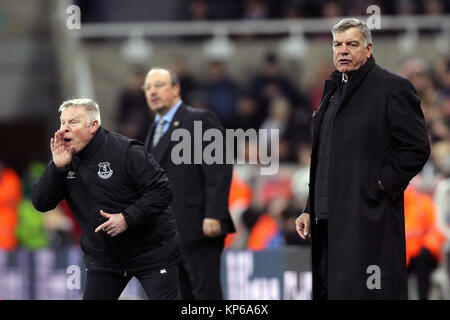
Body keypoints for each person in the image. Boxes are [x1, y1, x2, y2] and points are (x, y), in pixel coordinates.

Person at [295, 18, 430, 300]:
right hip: (327, 222)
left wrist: (378, 185)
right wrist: (310, 207)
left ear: (369, 49)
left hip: (369, 219)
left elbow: (416, 147)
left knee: (370, 294)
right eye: (337, 44)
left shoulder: (392, 88)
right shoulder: (331, 92)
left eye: (352, 44)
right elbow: (323, 157)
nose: (343, 50)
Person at [32, 98, 180, 300]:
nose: (63, 129)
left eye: (73, 122)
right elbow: (41, 203)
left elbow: (162, 190)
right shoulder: (64, 161)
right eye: (62, 122)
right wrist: (56, 168)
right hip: (104, 259)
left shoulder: (127, 151)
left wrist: (127, 217)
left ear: (93, 125)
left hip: (151, 252)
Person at [143, 68, 235, 299]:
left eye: (159, 85)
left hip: (198, 227)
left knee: (205, 294)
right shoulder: (153, 128)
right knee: (181, 295)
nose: (153, 92)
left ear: (176, 89)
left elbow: (219, 169)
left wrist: (214, 213)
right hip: (167, 233)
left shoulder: (198, 119)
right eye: (148, 87)